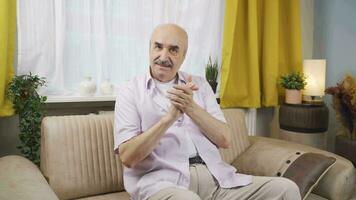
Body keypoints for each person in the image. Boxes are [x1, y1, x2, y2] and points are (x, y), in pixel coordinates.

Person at [114, 23, 301, 200]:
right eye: (158, 46)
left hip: (216, 180)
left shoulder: (200, 86)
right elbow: (128, 157)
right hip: (163, 184)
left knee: (286, 189)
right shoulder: (129, 91)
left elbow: (225, 139)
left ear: (183, 56)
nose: (164, 56)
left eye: (173, 49)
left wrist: (191, 107)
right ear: (150, 49)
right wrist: (169, 119)